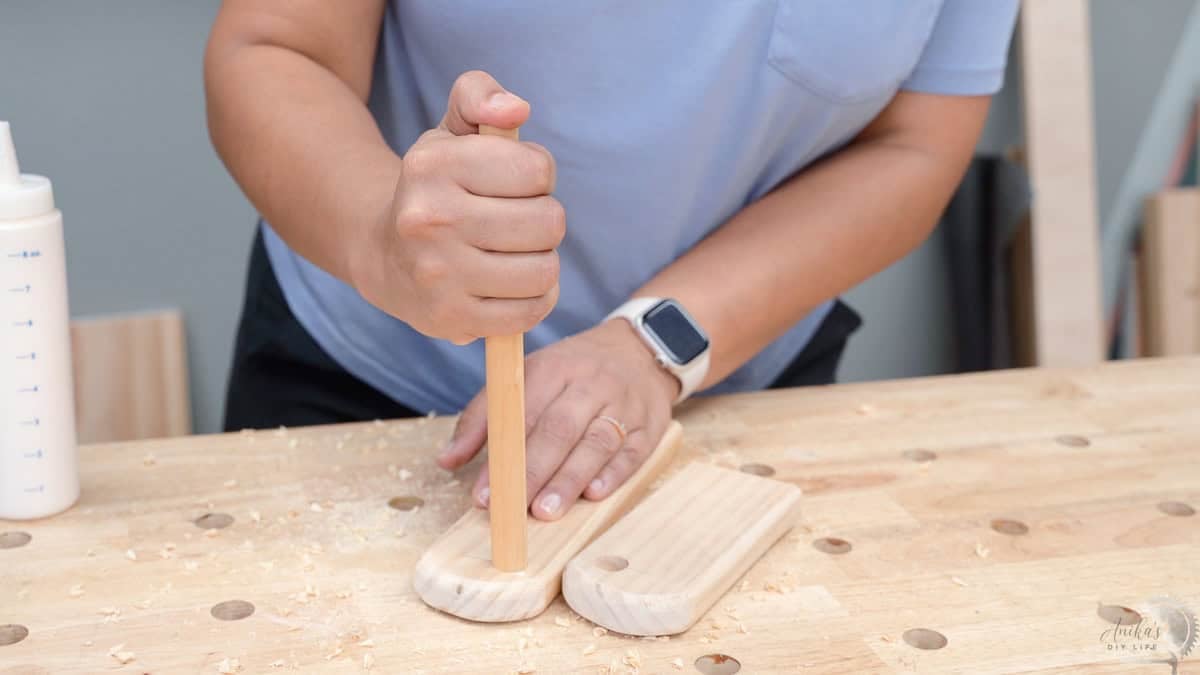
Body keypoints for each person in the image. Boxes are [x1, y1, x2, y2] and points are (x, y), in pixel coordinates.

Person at [205, 1, 1019, 521]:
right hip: (365, 385)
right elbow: (274, 46)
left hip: (729, 391)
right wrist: (381, 239)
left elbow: (914, 146)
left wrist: (653, 342)